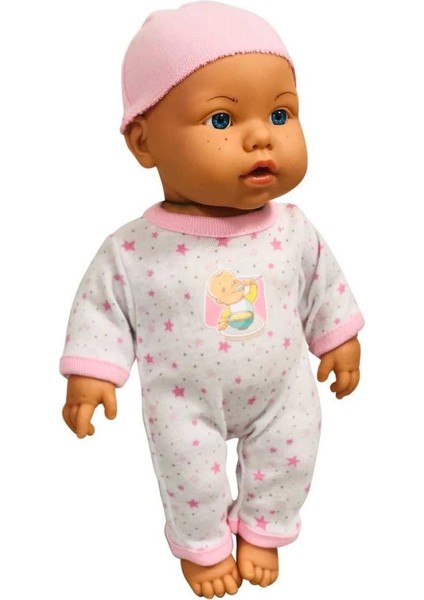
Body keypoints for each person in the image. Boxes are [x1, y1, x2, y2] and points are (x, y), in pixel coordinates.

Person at [60, 2, 364, 597]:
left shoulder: (293, 229)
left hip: (282, 390)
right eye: (222, 120)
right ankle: (202, 543)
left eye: (280, 113)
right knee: (189, 473)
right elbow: (101, 308)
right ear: (144, 142)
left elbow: (321, 283)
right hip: (183, 400)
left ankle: (263, 527)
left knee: (292, 450)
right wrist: (92, 373)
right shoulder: (134, 248)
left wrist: (339, 338)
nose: (261, 135)